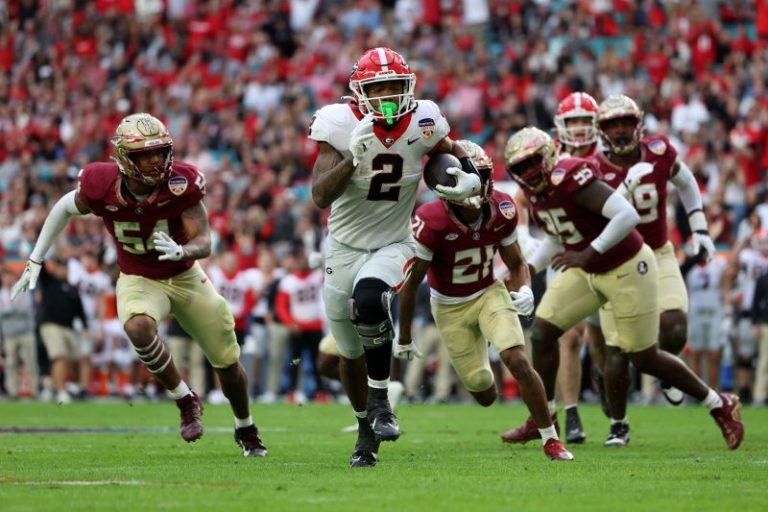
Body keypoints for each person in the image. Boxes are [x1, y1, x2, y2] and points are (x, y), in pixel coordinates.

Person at [11, 113, 267, 457]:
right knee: (138, 326)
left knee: (227, 362)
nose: (155, 161)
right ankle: (185, 399)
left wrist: (184, 249)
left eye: (160, 152)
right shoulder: (100, 183)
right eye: (145, 154)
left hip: (186, 275)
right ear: (123, 157)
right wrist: (35, 259)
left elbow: (205, 240)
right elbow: (63, 208)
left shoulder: (182, 181)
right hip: (139, 276)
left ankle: (245, 426)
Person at [500, 127, 744, 451]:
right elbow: (558, 238)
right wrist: (528, 268)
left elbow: (626, 215)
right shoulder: (535, 194)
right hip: (589, 268)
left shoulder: (571, 176)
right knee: (543, 332)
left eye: (533, 162)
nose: (528, 172)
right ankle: (544, 417)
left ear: (548, 157)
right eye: (520, 167)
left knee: (643, 357)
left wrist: (587, 253)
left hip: (626, 265)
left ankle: (719, 403)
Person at [308, 47, 481, 467]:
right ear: (359, 93)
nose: (386, 95)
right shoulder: (338, 122)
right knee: (347, 353)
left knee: (370, 301)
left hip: (393, 241)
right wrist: (354, 156)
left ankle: (382, 399)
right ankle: (366, 428)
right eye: (377, 88)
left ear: (409, 88)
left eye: (394, 87)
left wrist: (472, 180)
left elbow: (454, 153)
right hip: (344, 247)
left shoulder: (424, 118)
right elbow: (319, 196)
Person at [396, 140, 573, 461]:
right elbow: (412, 283)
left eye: (480, 173)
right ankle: (495, 390)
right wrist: (405, 335)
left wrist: (525, 289)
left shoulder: (503, 208)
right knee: (483, 391)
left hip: (488, 292)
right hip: (449, 307)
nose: (475, 183)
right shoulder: (431, 220)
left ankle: (551, 439)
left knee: (517, 359)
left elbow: (518, 263)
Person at [591, 94, 718, 440]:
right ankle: (619, 424)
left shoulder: (660, 151)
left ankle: (665, 371)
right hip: (615, 262)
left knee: (675, 326)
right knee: (617, 353)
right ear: (601, 131)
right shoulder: (592, 169)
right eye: (612, 125)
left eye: (625, 123)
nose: (619, 130)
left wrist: (700, 229)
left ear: (638, 125)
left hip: (658, 252)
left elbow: (687, 182)